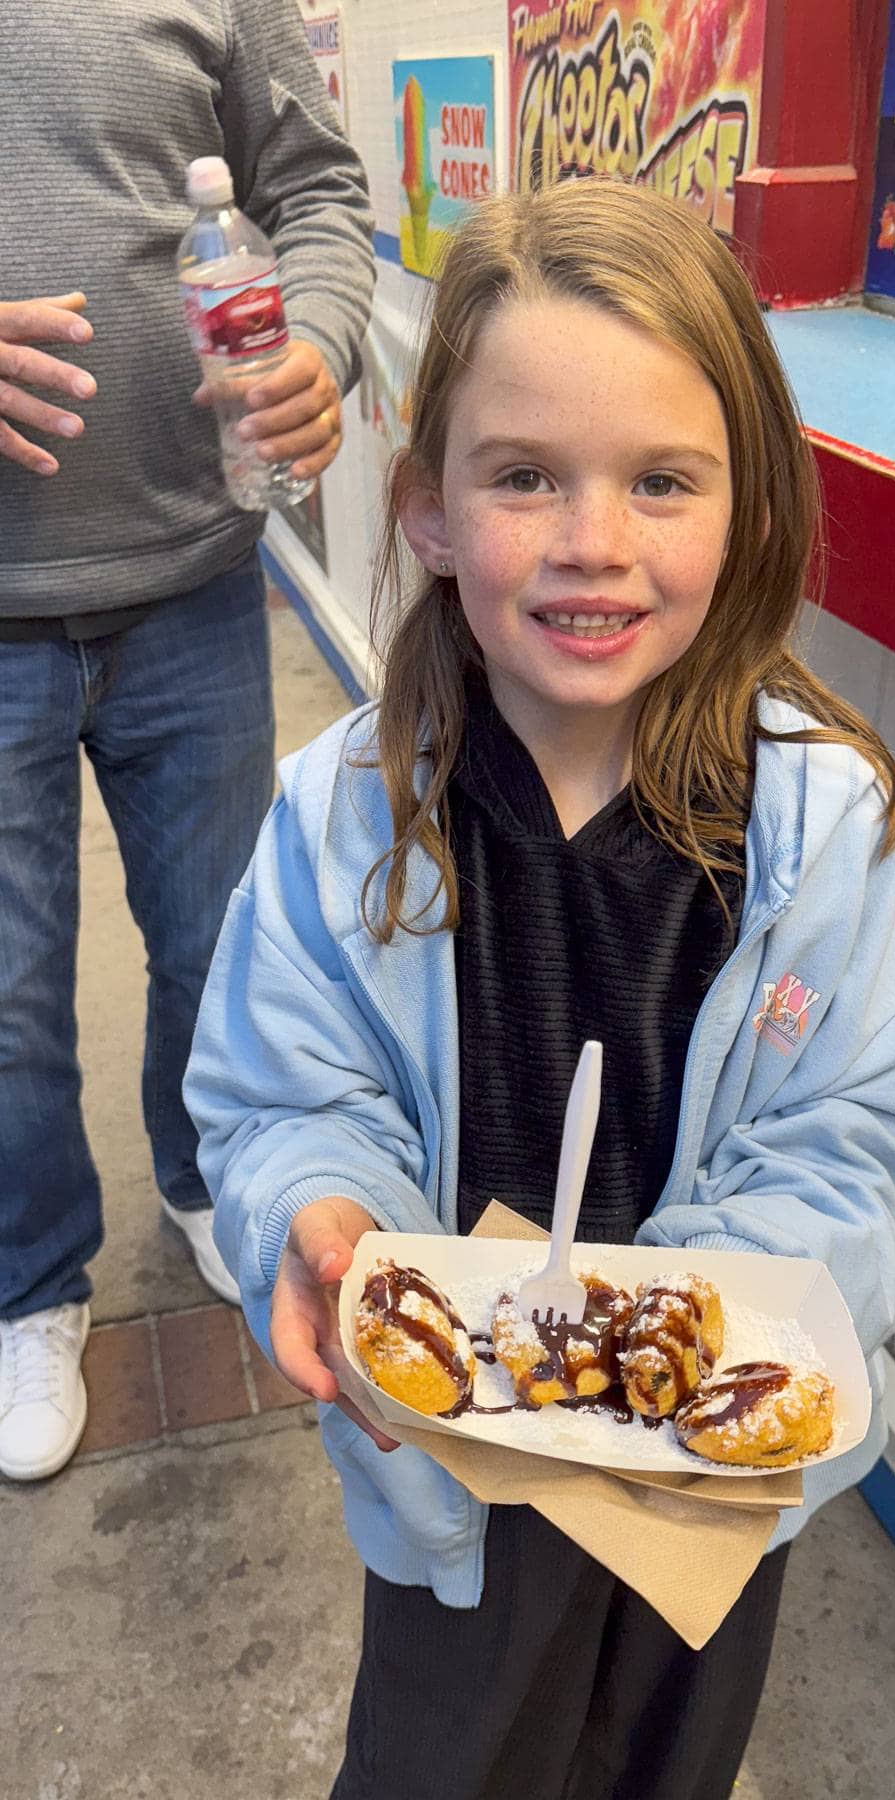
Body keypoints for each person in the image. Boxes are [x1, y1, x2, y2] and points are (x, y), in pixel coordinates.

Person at [186, 180, 895, 1799]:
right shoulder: (345, 817)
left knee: (663, 1767)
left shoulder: (832, 831)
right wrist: (317, 1202)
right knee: (438, 1765)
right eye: (524, 476)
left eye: (662, 481)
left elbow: (866, 1137)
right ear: (422, 506)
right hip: (449, 1492)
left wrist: (640, 1351)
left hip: (706, 1494)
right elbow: (286, 1089)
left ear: (751, 509)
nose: (593, 542)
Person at [0, 0, 374, 1484]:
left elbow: (323, 187)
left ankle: (212, 1170)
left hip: (197, 583)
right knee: (8, 992)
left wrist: (329, 346)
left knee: (220, 946)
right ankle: (29, 1284)